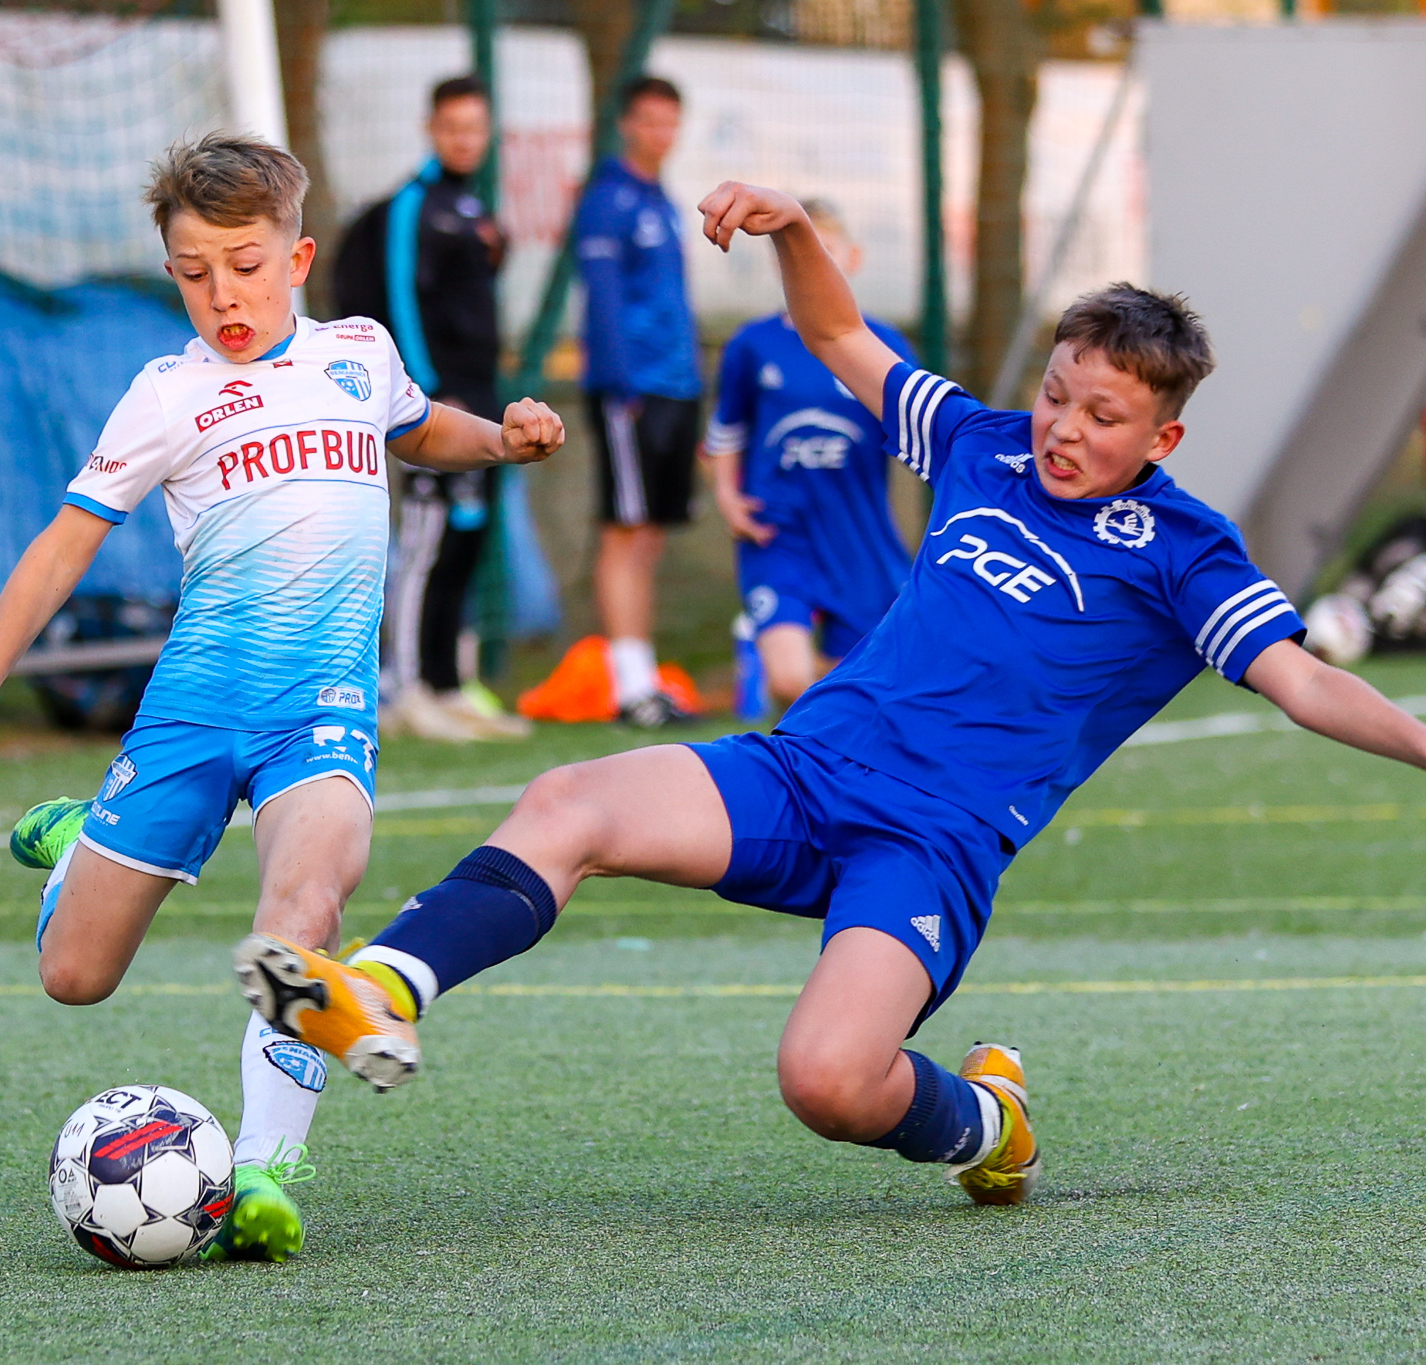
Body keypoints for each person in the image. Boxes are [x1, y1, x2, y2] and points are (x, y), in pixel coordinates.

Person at [230, 181, 1426, 1209]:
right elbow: (838, 331)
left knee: (828, 1082)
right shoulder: (982, 443)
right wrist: (793, 229)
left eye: (1101, 417)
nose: (1061, 426)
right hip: (803, 772)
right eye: (1058, 391)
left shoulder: (1181, 547)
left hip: (931, 842)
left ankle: (989, 1124)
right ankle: (379, 990)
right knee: (564, 802)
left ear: (1159, 438)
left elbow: (1303, 680)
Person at [0, 133, 563, 1260]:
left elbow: (414, 426)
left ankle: (262, 1174)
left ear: (296, 257)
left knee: (303, 917)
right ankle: (76, 844)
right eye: (194, 272)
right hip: (189, 718)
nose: (223, 295)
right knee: (73, 978)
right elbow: (62, 546)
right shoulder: (165, 396)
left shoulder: (355, 355)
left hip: (320, 716)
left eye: (245, 265)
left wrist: (499, 437)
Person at [334, 74, 526, 742]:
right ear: (431, 128)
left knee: (466, 538)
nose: (464, 140)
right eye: (453, 128)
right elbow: (400, 300)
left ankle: (448, 684)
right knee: (420, 544)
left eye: (476, 128)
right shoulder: (411, 206)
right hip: (436, 403)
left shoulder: (473, 207)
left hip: (483, 403)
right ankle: (405, 685)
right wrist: (426, 387)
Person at [703, 200, 918, 709]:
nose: (814, 264)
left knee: (880, 686)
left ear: (854, 258)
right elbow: (725, 435)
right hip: (778, 532)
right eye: (799, 254)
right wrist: (727, 499)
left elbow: (919, 433)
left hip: (857, 534)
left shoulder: (883, 344)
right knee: (788, 680)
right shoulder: (753, 345)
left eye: (827, 251)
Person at [574, 75, 703, 728]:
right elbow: (601, 301)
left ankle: (643, 675)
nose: (661, 133)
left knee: (649, 533)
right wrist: (622, 385)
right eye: (649, 120)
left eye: (670, 121)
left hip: (677, 385)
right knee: (624, 532)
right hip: (634, 390)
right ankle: (630, 687)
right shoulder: (608, 200)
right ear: (627, 123)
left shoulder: (666, 201)